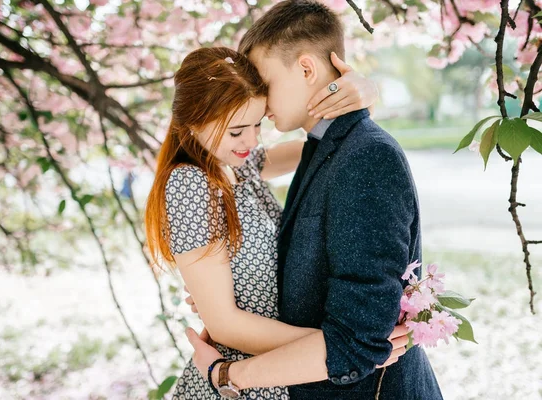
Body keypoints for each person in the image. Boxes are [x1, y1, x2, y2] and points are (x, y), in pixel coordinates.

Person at [184, 1, 444, 399]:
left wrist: (227, 375)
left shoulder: (366, 157)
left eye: (262, 80)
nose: (258, 97)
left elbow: (356, 342)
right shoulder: (323, 147)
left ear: (305, 69)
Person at [144, 45, 403, 399]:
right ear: (192, 123)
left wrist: (361, 97)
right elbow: (225, 323)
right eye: (236, 131)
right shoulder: (190, 184)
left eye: (257, 124)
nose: (250, 140)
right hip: (245, 377)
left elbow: (330, 144)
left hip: (287, 372)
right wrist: (346, 348)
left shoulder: (238, 166)